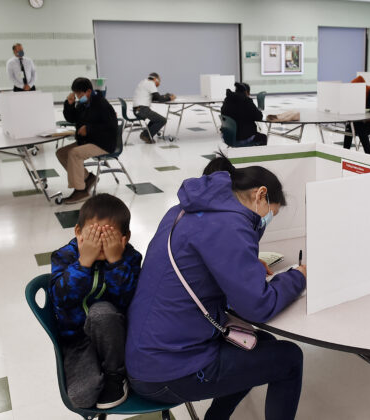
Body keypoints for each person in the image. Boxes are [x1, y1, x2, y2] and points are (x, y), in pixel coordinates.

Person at [126, 154, 307, 420]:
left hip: (147, 353)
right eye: (272, 213)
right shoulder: (231, 224)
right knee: (290, 358)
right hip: (168, 372)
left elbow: (200, 262)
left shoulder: (183, 210)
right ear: (261, 195)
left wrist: (248, 264)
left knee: (258, 343)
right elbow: (258, 305)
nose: (267, 221)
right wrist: (298, 276)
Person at [50, 193, 142, 409]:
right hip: (77, 342)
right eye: (93, 237)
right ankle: (107, 368)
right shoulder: (64, 256)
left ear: (124, 238)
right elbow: (60, 298)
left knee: (101, 312)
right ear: (78, 232)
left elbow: (129, 299)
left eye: (107, 238)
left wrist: (116, 262)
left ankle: (115, 373)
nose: (99, 245)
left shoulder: (130, 258)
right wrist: (84, 263)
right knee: (81, 397)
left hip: (116, 336)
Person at [57, 77, 117, 204]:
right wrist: (69, 104)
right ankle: (88, 178)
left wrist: (89, 129)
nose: (78, 97)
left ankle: (80, 191)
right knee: (61, 153)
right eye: (76, 94)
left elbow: (111, 126)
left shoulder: (101, 104)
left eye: (79, 94)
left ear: (88, 91)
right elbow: (71, 118)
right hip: (89, 140)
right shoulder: (83, 104)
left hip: (103, 142)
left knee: (74, 153)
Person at [343, 75, 370, 154]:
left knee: (361, 129)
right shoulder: (361, 95)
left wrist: (364, 115)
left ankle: (368, 154)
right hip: (366, 121)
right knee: (349, 127)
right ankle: (345, 153)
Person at [131, 72, 175, 144]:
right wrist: (170, 98)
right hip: (142, 109)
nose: (159, 83)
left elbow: (155, 97)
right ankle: (146, 136)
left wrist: (165, 96)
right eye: (159, 81)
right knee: (162, 120)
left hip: (138, 109)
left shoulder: (143, 82)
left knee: (156, 119)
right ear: (155, 79)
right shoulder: (151, 83)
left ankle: (145, 134)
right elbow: (159, 99)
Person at [220, 82, 267, 146]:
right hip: (242, 138)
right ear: (247, 92)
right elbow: (259, 117)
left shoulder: (227, 100)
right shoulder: (246, 101)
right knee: (263, 137)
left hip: (227, 137)